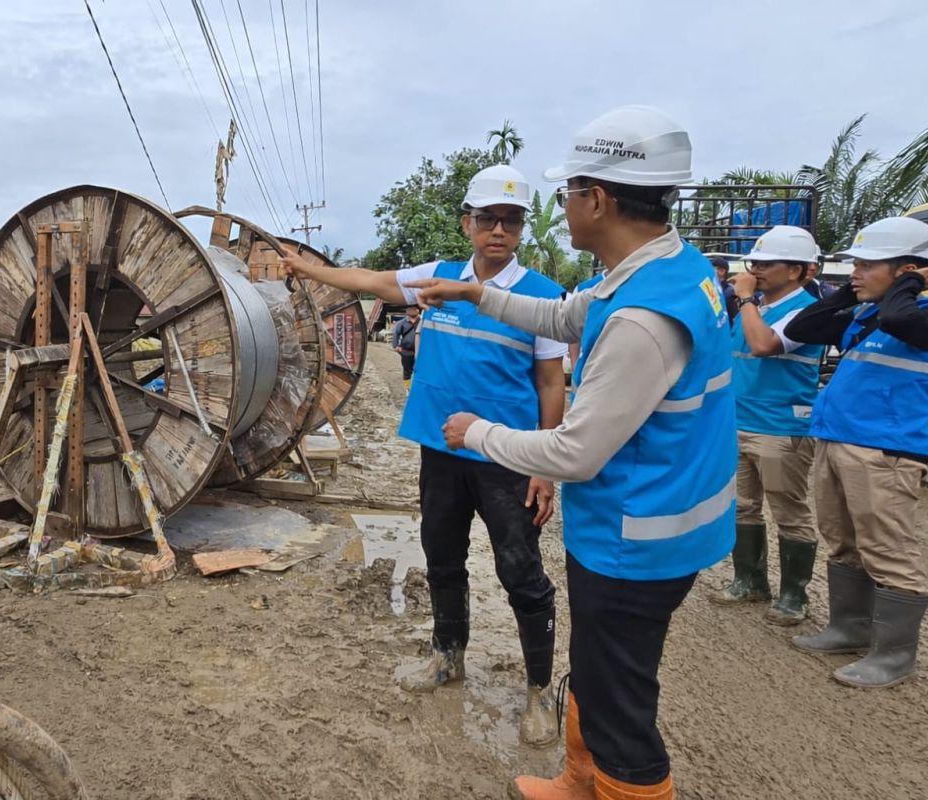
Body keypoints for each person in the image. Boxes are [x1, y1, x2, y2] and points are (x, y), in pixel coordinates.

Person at [409, 106, 734, 800]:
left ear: (599, 200)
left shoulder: (644, 320)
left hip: (636, 538)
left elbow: (577, 451)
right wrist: (477, 294)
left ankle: (615, 782)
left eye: (568, 192)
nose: (563, 206)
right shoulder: (663, 270)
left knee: (620, 706)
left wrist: (477, 434)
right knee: (594, 671)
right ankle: (580, 779)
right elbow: (564, 316)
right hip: (643, 518)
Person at [279, 164, 569, 746]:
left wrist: (545, 465)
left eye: (511, 221)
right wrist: (309, 268)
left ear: (520, 228)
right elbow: (369, 280)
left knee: (520, 572)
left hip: (508, 459)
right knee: (442, 556)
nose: (499, 230)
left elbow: (550, 384)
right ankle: (447, 656)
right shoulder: (437, 279)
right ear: (467, 223)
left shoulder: (541, 297)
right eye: (487, 218)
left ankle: (538, 690)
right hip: (442, 452)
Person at [786, 216, 928, 688]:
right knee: (843, 540)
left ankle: (894, 655)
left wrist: (908, 285)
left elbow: (902, 319)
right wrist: (851, 291)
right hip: (838, 441)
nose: (855, 273)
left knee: (888, 550)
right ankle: (850, 628)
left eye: (867, 265)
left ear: (910, 270)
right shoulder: (865, 316)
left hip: (885, 453)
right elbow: (805, 325)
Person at [711, 226, 825, 624]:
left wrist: (744, 299)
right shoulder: (754, 309)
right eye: (754, 263)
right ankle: (750, 580)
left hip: (780, 426)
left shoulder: (806, 311)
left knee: (789, 510)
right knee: (743, 506)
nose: (755, 270)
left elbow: (763, 345)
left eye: (766, 263)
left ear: (797, 270)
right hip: (739, 421)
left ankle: (794, 594)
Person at [391, 304, 421, 389]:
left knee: (420, 370)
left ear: (418, 310)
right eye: (409, 309)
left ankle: (417, 388)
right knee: (407, 371)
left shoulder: (422, 322)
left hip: (420, 351)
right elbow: (396, 334)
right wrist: (396, 346)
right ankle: (408, 388)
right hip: (406, 351)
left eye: (413, 309)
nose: (411, 310)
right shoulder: (402, 323)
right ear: (407, 311)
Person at [710, 256, 740, 322]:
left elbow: (735, 318)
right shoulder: (712, 289)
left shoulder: (730, 292)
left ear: (722, 271)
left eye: (712, 269)